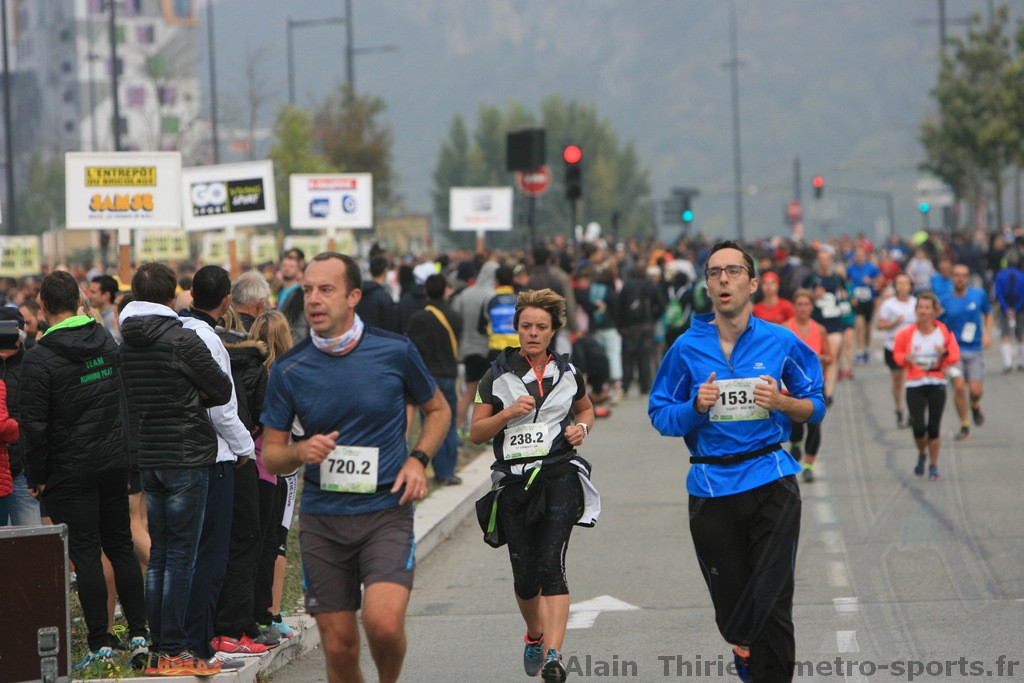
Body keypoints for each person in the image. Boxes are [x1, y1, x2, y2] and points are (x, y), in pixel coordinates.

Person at [261, 252, 450, 683]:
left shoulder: (395, 350)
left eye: (326, 289)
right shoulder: (290, 368)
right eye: (308, 290)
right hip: (324, 519)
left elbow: (438, 410)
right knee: (339, 646)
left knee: (383, 625)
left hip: (385, 510)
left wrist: (419, 460)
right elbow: (271, 454)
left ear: (353, 297)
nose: (313, 299)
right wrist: (301, 450)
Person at [649, 241, 825, 683]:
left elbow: (815, 404)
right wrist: (695, 407)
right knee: (733, 610)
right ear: (707, 287)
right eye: (714, 273)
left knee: (773, 602)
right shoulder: (686, 348)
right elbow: (660, 414)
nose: (723, 279)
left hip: (771, 480)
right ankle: (742, 643)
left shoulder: (780, 340)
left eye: (733, 271)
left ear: (753, 282)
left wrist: (782, 402)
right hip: (711, 487)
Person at [20, 270, 148, 669]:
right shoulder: (106, 340)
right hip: (113, 464)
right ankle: (140, 633)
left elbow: (33, 427)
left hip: (69, 471)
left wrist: (37, 476)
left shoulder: (39, 358)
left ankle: (100, 643)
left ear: (42, 306)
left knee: (87, 553)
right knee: (121, 546)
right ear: (79, 301)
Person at [471, 288, 598, 683]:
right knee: (525, 578)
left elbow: (586, 409)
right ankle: (535, 634)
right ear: (517, 329)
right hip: (514, 482)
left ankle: (554, 657)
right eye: (526, 326)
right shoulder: (496, 375)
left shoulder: (569, 373)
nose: (533, 333)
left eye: (541, 327)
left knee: (551, 564)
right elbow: (476, 433)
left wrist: (582, 429)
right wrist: (507, 413)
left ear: (553, 331)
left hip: (559, 474)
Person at [119, 262, 233, 677]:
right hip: (187, 455)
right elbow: (221, 388)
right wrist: (192, 400)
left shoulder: (125, 342)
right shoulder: (182, 338)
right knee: (182, 555)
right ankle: (176, 650)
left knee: (161, 554)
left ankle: (159, 648)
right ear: (173, 296)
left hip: (150, 455)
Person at [177, 266, 262, 660]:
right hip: (216, 455)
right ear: (227, 300)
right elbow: (221, 407)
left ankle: (184, 637)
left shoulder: (174, 330)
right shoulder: (208, 339)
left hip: (175, 453)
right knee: (220, 549)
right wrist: (245, 448)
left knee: (180, 553)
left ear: (192, 293)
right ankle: (214, 635)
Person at [893, 292, 960, 481]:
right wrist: (905, 358)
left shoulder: (943, 331)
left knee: (933, 428)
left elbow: (954, 355)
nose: (923, 311)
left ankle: (933, 464)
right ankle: (922, 453)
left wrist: (944, 352)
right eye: (920, 308)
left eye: (927, 308)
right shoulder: (907, 333)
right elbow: (897, 354)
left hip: (937, 382)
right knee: (918, 427)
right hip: (915, 382)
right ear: (916, 311)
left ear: (934, 311)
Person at [407, 273, 463, 485]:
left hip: (428, 376)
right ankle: (450, 469)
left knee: (431, 423)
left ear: (426, 291)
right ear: (445, 290)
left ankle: (441, 472)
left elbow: (413, 349)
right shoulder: (455, 316)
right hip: (450, 373)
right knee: (449, 422)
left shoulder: (419, 318)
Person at [939, 264, 992, 441]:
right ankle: (964, 425)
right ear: (952, 278)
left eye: (963, 275)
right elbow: (938, 325)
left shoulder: (978, 295)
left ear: (968, 278)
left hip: (974, 348)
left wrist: (986, 334)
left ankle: (974, 405)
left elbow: (989, 314)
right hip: (954, 351)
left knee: (976, 390)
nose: (960, 278)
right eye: (957, 275)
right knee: (959, 386)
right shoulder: (945, 300)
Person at [784, 289, 833, 483]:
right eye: (799, 305)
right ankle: (796, 443)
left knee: (814, 426)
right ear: (794, 307)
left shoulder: (819, 330)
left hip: (815, 385)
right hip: (793, 386)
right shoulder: (785, 328)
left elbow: (830, 357)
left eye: (806, 305)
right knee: (796, 425)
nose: (803, 308)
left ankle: (808, 466)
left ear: (812, 307)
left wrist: (822, 359)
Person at [450, 259, 498, 436]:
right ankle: (486, 430)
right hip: (488, 349)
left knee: (469, 391)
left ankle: (457, 427)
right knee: (488, 394)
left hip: (467, 348)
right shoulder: (493, 296)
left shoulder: (465, 294)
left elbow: (455, 319)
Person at [803, 250, 848, 403]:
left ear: (831, 261)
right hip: (816, 323)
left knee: (832, 357)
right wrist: (814, 295)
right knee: (817, 358)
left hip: (834, 323)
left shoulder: (837, 278)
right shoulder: (812, 278)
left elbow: (845, 295)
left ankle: (828, 393)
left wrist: (844, 298)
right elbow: (802, 296)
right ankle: (818, 385)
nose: (823, 262)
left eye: (826, 259)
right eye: (821, 259)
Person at [876, 273, 918, 428]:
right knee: (898, 381)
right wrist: (894, 322)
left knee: (913, 381)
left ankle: (913, 412)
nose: (903, 286)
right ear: (895, 286)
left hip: (913, 349)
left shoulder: (916, 303)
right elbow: (879, 325)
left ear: (910, 286)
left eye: (906, 283)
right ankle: (899, 410)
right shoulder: (889, 304)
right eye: (899, 283)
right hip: (893, 347)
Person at [846, 246, 881, 365]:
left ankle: (866, 349)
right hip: (857, 301)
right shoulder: (850, 268)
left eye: (861, 255)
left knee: (867, 327)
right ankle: (860, 351)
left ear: (865, 256)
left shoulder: (871, 268)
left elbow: (880, 281)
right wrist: (851, 295)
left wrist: (871, 282)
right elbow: (847, 283)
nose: (859, 257)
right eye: (857, 255)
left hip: (869, 300)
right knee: (859, 324)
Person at [993, 252, 1024, 373]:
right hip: (1019, 307)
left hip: (1004, 307)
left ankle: (1008, 363)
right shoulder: (1021, 276)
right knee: (1021, 334)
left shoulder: (1000, 275)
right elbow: (1022, 295)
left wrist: (1006, 308)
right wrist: (1015, 309)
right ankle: (1021, 362)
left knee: (1005, 334)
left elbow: (998, 293)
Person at [356, 254, 401, 332]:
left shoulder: (358, 294)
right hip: (378, 336)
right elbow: (390, 325)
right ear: (385, 271)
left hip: (361, 335)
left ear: (370, 270)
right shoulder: (385, 297)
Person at [277, 250, 308, 344]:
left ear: (298, 270)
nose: (286, 268)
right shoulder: (280, 290)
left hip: (295, 342)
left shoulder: (300, 294)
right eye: (284, 265)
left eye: (291, 266)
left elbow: (290, 319)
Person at [89, 274, 122, 343]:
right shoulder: (103, 315)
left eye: (93, 292)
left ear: (106, 295)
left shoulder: (112, 317)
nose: (89, 296)